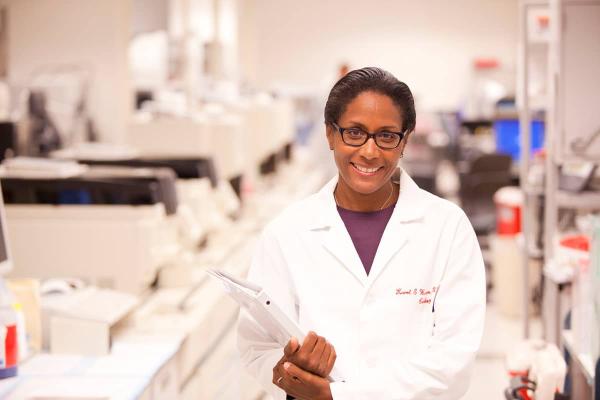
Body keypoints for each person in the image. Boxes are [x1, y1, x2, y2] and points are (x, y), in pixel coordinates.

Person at [238, 67, 486, 400]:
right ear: (330, 134)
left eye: (386, 136)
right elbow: (257, 345)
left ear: (405, 142)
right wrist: (290, 368)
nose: (369, 151)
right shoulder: (287, 232)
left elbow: (453, 362)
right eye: (354, 133)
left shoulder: (447, 227)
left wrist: (334, 395)